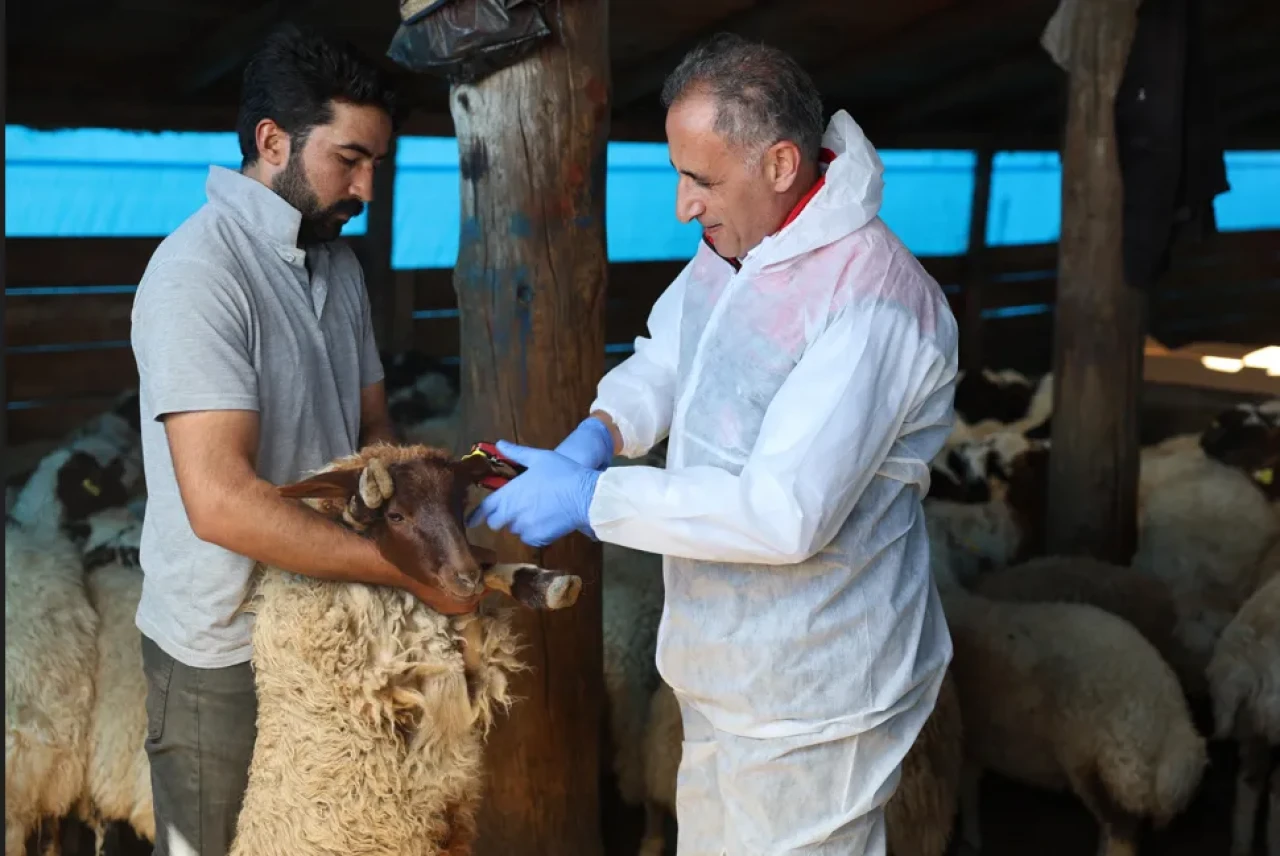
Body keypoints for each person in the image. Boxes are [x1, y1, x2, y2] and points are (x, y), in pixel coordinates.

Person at [470, 33, 960, 856]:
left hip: (814, 689)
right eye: (679, 174)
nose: (682, 206)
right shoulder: (744, 249)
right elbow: (672, 352)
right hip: (723, 671)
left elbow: (782, 513)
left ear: (778, 163)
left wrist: (594, 500)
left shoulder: (872, 299)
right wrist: (604, 429)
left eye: (701, 180)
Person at [129, 24, 424, 856]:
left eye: (378, 164)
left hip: (332, 625)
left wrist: (423, 503)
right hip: (224, 650)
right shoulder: (200, 274)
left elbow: (373, 431)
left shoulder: (339, 265)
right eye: (350, 159)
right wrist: (406, 568)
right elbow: (221, 503)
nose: (367, 186)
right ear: (272, 142)